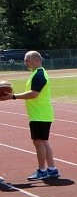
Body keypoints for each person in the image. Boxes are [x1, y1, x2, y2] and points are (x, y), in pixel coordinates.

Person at [0, 51, 60, 180]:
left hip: (39, 114)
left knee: (38, 142)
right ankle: (52, 169)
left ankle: (42, 170)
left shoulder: (39, 74)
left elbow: (34, 94)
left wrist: (13, 97)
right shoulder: (36, 73)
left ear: (37, 61)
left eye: (27, 60)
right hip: (40, 114)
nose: (25, 62)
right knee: (44, 142)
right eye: (25, 60)